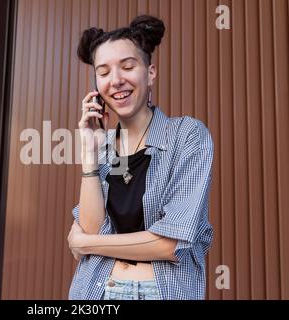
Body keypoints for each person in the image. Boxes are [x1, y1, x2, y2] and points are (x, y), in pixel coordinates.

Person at [67, 15, 214, 300]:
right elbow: (92, 226)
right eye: (104, 71)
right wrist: (89, 153)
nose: (117, 80)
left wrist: (86, 244)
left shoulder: (187, 136)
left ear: (151, 73)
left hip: (159, 291)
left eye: (128, 66)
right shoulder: (109, 147)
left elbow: (171, 243)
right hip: (96, 291)